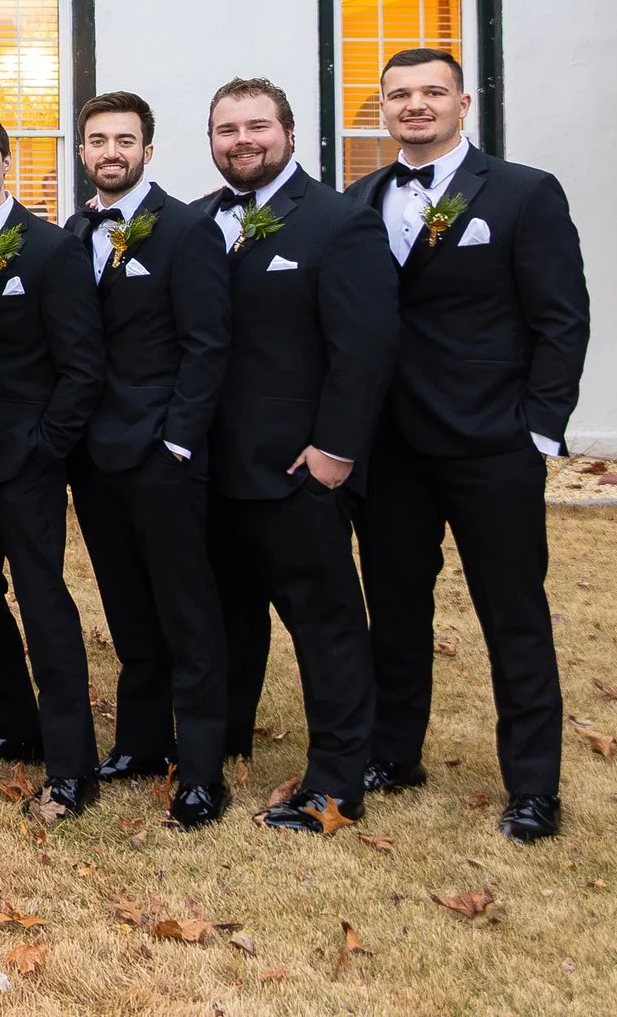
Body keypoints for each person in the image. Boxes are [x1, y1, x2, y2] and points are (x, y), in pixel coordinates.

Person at [343, 48, 589, 844]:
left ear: (463, 103)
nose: (415, 105)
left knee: (513, 614)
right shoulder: (363, 199)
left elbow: (561, 317)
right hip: (392, 447)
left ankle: (532, 787)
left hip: (491, 444)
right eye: (400, 95)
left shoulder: (522, 192)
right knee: (397, 607)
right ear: (382, 107)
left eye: (431, 93)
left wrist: (539, 428)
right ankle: (393, 752)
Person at [198, 77, 396, 834]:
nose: (242, 140)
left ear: (287, 130)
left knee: (325, 627)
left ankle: (337, 784)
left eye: (256, 126)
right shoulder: (202, 220)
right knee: (228, 618)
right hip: (213, 469)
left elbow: (365, 347)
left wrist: (334, 452)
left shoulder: (339, 224)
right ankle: (223, 746)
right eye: (226, 129)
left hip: (296, 471)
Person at [60, 93, 233, 829]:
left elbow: (207, 345)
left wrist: (177, 440)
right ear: (82, 152)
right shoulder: (74, 232)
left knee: (187, 612)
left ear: (148, 151)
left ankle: (200, 773)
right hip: (94, 457)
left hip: (162, 452)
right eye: (97, 140)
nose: (109, 152)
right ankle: (139, 743)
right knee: (128, 607)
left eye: (123, 140)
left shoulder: (187, 230)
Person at [0, 113, 107, 819]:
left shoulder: (49, 249)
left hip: (26, 457)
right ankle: (17, 723)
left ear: (6, 162)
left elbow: (82, 365)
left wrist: (46, 446)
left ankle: (73, 767)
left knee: (42, 602)